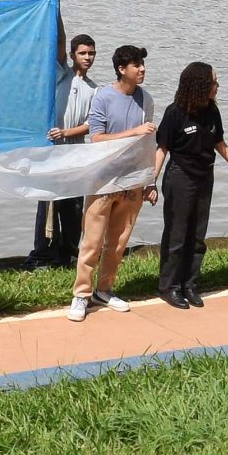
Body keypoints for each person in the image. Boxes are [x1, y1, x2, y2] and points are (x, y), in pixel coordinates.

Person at [150, 61, 228, 308]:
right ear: (200, 85)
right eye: (213, 82)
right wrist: (150, 183)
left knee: (197, 235)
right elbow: (162, 149)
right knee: (177, 235)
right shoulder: (175, 113)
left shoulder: (211, 110)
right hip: (180, 176)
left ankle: (190, 284)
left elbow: (220, 145)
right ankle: (170, 286)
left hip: (204, 176)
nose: (217, 87)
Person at [70, 46, 158, 320]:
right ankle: (81, 295)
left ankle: (104, 290)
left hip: (133, 182)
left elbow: (147, 145)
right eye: (136, 65)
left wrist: (150, 181)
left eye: (142, 64)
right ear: (122, 69)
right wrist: (134, 131)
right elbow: (96, 139)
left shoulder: (146, 100)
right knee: (92, 242)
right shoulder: (103, 97)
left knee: (118, 243)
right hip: (103, 180)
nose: (142, 69)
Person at [30, 34, 99, 269]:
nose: (87, 57)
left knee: (74, 206)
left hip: (76, 154)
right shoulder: (62, 75)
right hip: (51, 152)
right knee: (48, 204)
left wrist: (66, 132)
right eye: (82, 53)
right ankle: (43, 255)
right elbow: (58, 40)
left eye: (91, 53)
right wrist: (55, 4)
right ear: (72, 56)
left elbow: (92, 124)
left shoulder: (95, 90)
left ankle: (69, 254)